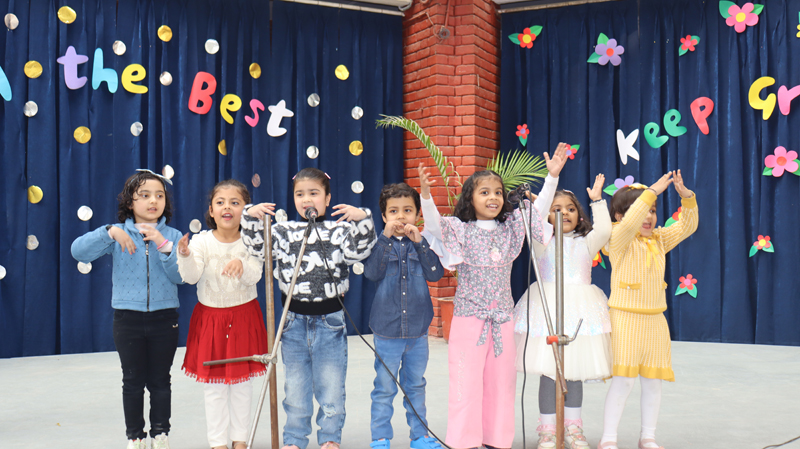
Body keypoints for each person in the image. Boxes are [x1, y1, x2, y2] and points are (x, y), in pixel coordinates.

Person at [418, 143, 568, 449]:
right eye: (484, 192)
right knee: (465, 384)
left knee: (502, 385)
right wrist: (425, 196)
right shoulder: (460, 230)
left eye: (498, 192)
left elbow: (537, 213)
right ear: (470, 198)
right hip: (468, 319)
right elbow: (433, 225)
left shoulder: (510, 229)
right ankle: (464, 442)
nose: (493, 197)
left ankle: (497, 441)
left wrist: (551, 178)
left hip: (502, 320)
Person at [240, 167, 377, 449]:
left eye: (314, 193)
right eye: (300, 194)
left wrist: (363, 219)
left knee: (331, 386)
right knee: (296, 387)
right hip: (292, 322)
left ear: (327, 199)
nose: (306, 200)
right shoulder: (283, 231)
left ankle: (330, 438)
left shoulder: (339, 230)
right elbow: (258, 248)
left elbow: (359, 251)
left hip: (330, 322)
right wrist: (250, 218)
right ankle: (294, 439)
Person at [71, 169, 183, 449]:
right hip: (127, 319)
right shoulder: (117, 233)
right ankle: (135, 437)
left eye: (159, 195)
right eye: (144, 195)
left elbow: (180, 277)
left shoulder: (172, 234)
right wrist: (109, 232)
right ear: (130, 202)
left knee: (160, 380)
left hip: (165, 318)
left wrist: (163, 245)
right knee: (132, 380)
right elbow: (78, 252)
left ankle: (161, 434)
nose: (153, 201)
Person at [597, 170, 698, 449]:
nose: (648, 216)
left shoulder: (659, 239)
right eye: (642, 210)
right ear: (619, 216)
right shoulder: (617, 238)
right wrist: (651, 192)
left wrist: (687, 198)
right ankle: (608, 439)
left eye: (653, 210)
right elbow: (630, 224)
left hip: (655, 320)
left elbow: (688, 226)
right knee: (624, 381)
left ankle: (648, 437)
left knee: (653, 382)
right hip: (625, 319)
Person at [513, 175, 612, 449]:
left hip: (579, 312)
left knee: (573, 372)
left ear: (579, 215)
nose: (564, 213)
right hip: (546, 310)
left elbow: (605, 231)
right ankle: (547, 431)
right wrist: (539, 204)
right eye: (556, 209)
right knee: (549, 372)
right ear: (546, 215)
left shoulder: (586, 241)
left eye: (570, 208)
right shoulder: (541, 241)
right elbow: (533, 223)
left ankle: (573, 428)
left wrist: (597, 201)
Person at [177, 179, 272, 449]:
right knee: (215, 386)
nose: (227, 207)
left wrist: (242, 263)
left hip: (244, 318)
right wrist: (185, 255)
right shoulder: (201, 241)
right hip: (211, 320)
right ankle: (217, 442)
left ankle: (240, 439)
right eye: (220, 202)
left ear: (246, 210)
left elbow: (255, 275)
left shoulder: (252, 242)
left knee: (242, 385)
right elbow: (191, 276)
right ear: (211, 210)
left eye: (235, 202)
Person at [362, 183, 444, 449]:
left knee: (415, 385)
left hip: (417, 330)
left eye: (407, 210)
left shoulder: (422, 243)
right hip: (387, 330)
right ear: (384, 216)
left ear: (417, 214)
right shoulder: (379, 244)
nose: (400, 216)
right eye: (393, 211)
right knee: (384, 386)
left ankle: (419, 436)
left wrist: (420, 243)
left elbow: (435, 274)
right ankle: (380, 437)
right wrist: (385, 239)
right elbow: (371, 273)